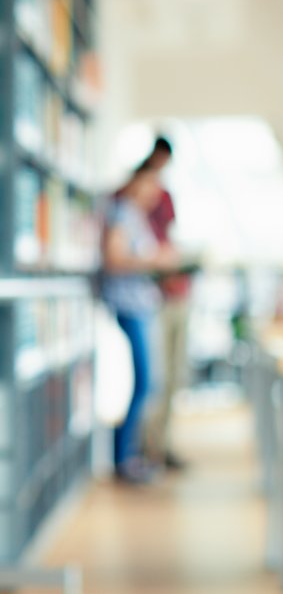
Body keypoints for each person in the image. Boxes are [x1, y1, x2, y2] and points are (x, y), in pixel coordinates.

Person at [101, 165, 180, 484]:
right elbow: (115, 259)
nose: (154, 195)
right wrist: (153, 261)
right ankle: (124, 458)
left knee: (149, 382)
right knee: (145, 381)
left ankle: (129, 455)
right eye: (151, 186)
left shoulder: (136, 217)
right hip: (130, 307)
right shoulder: (123, 214)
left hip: (142, 305)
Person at [135, 136, 193, 471]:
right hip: (152, 299)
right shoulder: (129, 200)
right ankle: (149, 448)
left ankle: (162, 445)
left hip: (176, 293)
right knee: (154, 377)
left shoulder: (164, 196)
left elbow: (168, 238)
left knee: (172, 376)